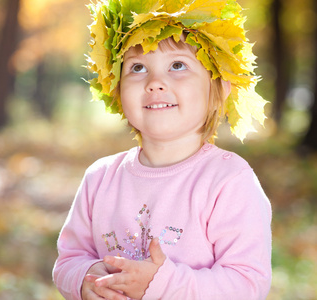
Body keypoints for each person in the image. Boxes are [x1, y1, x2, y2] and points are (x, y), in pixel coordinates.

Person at [53, 0, 272, 299]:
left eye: (178, 65)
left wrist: (163, 285)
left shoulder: (228, 181)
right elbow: (69, 259)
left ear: (219, 87)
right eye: (138, 67)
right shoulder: (100, 178)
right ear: (116, 88)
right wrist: (85, 279)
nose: (155, 82)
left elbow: (248, 285)